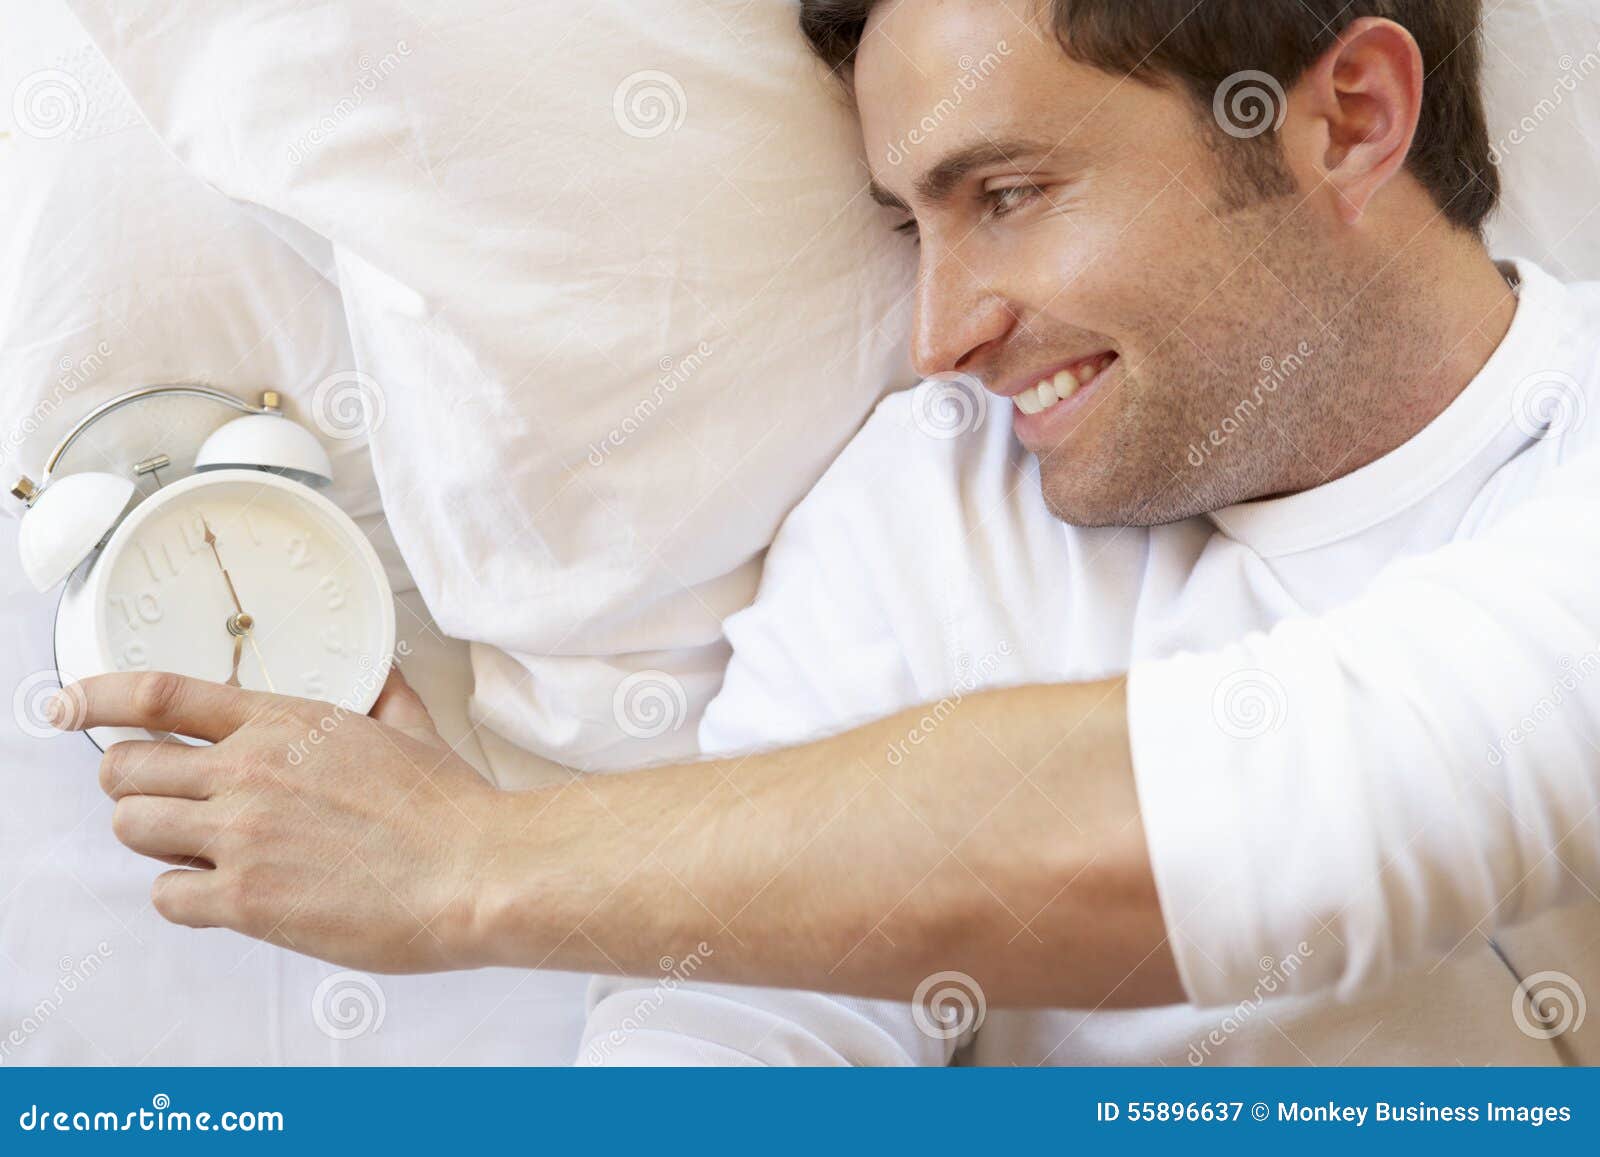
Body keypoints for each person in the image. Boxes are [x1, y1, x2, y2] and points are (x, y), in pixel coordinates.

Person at [56, 0, 1599, 1064]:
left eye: (1008, 191)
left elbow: (1318, 797)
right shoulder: (937, 500)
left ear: (1347, 117)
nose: (941, 332)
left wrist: (466, 862)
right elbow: (754, 1012)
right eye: (905, 227)